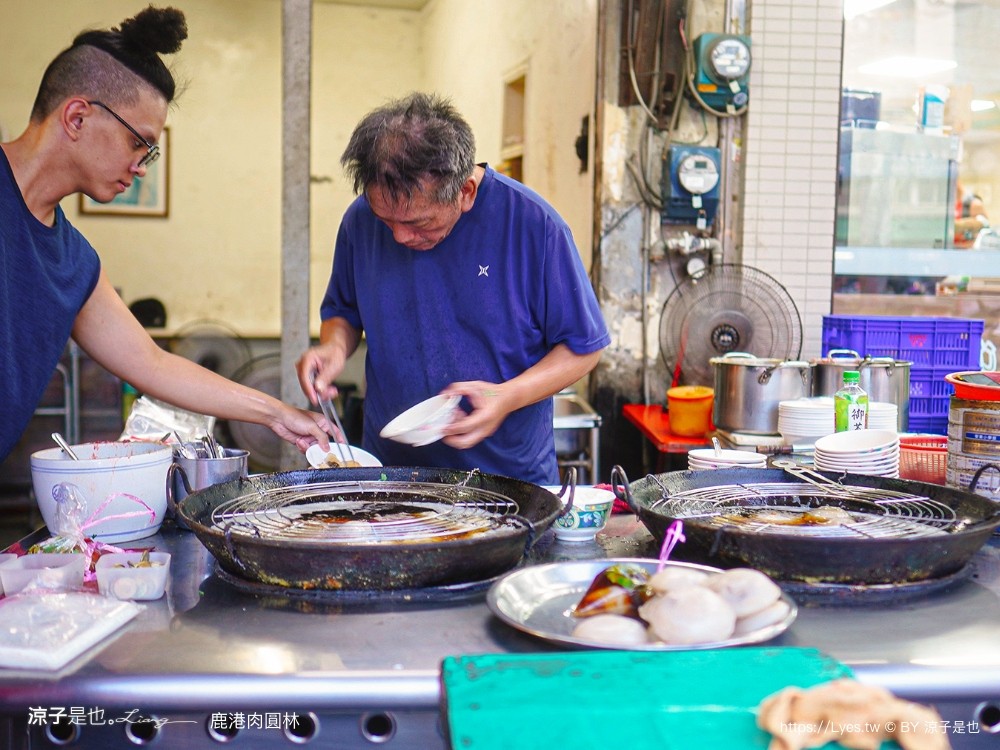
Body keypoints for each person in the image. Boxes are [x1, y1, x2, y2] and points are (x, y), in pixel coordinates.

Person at [0, 6, 331, 465]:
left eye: (149, 153)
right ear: (76, 118)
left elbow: (152, 364)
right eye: (138, 143)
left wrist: (277, 413)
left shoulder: (74, 262)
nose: (140, 167)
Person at [297, 92, 610, 485]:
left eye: (419, 224)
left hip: (507, 481)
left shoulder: (534, 227)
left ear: (465, 192)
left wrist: (506, 396)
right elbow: (344, 311)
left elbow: (584, 348)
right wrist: (333, 348)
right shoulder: (360, 222)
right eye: (386, 219)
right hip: (391, 477)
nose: (398, 237)